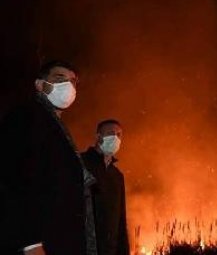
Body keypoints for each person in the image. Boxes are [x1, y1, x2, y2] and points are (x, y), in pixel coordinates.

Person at [0, 60, 97, 255]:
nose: (68, 86)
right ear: (39, 85)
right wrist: (30, 242)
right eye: (59, 78)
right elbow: (10, 180)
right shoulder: (25, 118)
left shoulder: (53, 126)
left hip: (59, 241)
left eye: (73, 81)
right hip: (40, 244)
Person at [81, 120, 130, 255]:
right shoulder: (80, 163)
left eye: (119, 135)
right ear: (98, 137)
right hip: (83, 247)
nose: (115, 138)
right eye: (110, 133)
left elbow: (121, 219)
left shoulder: (117, 176)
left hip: (109, 250)